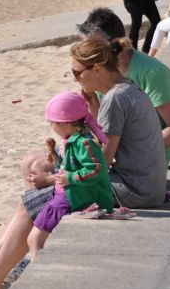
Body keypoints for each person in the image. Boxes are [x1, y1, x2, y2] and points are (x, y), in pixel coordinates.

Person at [0, 40, 167, 289]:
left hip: (132, 191)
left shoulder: (115, 99)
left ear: (96, 69)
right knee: (32, 195)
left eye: (77, 72)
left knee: (32, 203)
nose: (74, 78)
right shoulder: (126, 89)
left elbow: (102, 162)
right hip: (145, 184)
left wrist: (52, 177)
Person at [76, 7, 170, 169]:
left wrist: (128, 156)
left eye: (93, 49)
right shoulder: (97, 70)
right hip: (114, 152)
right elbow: (107, 126)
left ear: (115, 45)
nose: (87, 56)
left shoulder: (152, 72)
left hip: (146, 163)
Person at [27, 92, 114, 258]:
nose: (51, 126)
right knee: (35, 240)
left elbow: (97, 168)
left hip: (68, 199)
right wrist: (57, 159)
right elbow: (71, 164)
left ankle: (39, 275)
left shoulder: (85, 142)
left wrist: (71, 178)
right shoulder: (71, 139)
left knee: (34, 241)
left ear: (65, 123)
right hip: (63, 195)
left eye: (52, 122)